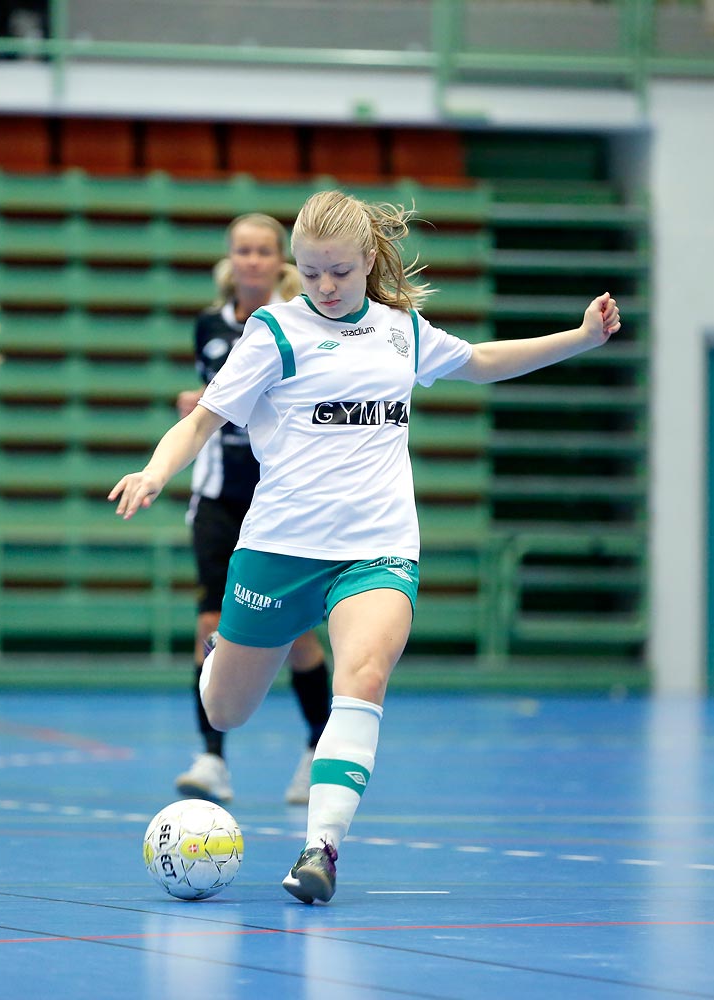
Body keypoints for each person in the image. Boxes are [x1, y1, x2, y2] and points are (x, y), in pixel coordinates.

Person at [110, 190, 620, 903]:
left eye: (339, 272)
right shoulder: (274, 332)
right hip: (280, 548)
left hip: (377, 546)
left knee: (366, 675)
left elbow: (479, 360)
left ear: (369, 260)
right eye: (310, 270)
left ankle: (320, 850)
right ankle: (231, 651)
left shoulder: (401, 331)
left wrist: (579, 339)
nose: (323, 285)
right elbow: (200, 424)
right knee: (226, 710)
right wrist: (155, 471)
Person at [173, 213, 333, 807]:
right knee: (210, 626)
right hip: (218, 495)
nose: (252, 261)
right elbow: (211, 400)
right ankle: (211, 758)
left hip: (281, 495)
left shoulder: (301, 323)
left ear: (279, 260)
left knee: (296, 633)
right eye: (243, 250)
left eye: (263, 251)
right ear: (231, 259)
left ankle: (316, 749)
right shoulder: (208, 327)